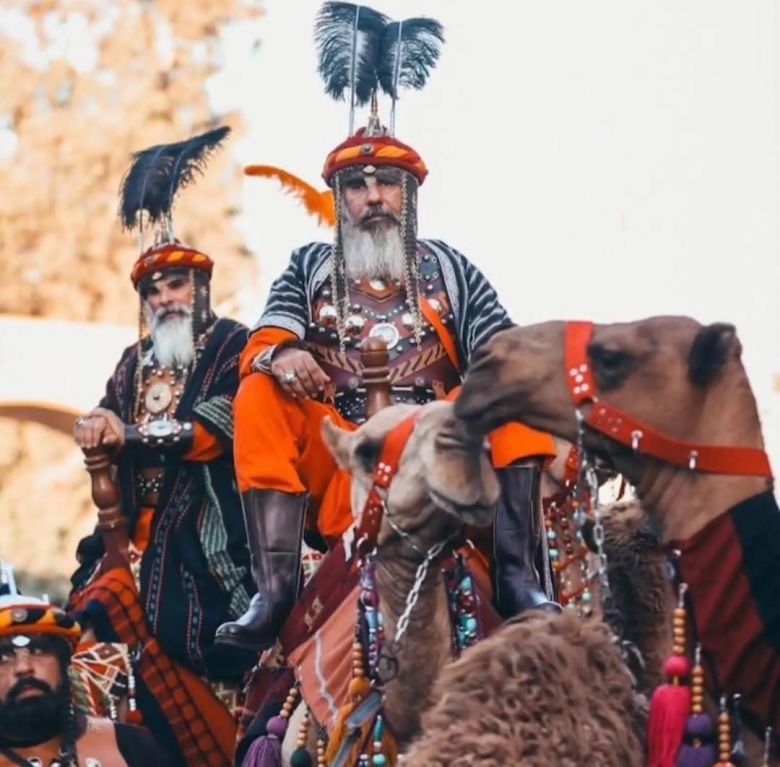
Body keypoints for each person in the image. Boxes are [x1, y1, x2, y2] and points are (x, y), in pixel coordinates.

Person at [216, 3, 559, 653]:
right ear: (340, 198)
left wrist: (474, 398)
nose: (373, 197)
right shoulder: (310, 266)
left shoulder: (451, 267)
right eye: (357, 185)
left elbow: (503, 347)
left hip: (445, 460)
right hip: (347, 467)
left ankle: (518, 576)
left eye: (387, 185)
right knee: (257, 391)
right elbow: (265, 337)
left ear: (410, 194)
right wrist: (282, 355)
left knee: (514, 390)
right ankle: (275, 588)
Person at [68, 127, 256, 766]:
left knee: (189, 621)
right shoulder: (132, 362)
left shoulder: (234, 344)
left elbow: (217, 428)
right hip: (128, 534)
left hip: (210, 533)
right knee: (83, 616)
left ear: (200, 287)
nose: (164, 299)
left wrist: (129, 433)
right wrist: (96, 421)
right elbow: (106, 412)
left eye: (176, 285)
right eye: (153, 291)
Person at [0, 594, 172, 766]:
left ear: (63, 664)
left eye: (37, 651)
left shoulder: (131, 745)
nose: (23, 668)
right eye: (3, 658)